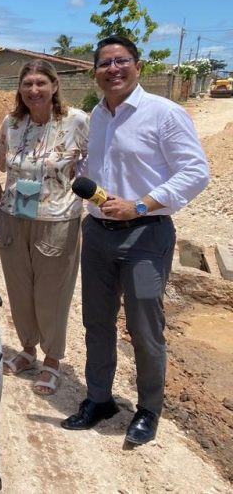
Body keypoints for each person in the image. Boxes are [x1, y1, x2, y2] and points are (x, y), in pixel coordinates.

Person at [61, 35, 209, 444]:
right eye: (104, 63)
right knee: (96, 322)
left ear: (138, 66)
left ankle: (148, 410)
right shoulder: (97, 116)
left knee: (145, 328)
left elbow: (196, 172)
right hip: (97, 236)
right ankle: (99, 398)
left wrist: (140, 205)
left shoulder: (165, 113)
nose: (113, 69)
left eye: (121, 61)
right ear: (95, 73)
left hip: (145, 236)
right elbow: (102, 167)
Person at [0, 59, 89, 396]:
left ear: (54, 85)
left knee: (52, 293)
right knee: (20, 289)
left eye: (40, 83)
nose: (34, 90)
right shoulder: (11, 122)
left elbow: (94, 163)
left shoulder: (76, 121)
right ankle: (28, 349)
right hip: (14, 214)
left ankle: (52, 359)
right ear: (19, 89)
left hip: (57, 218)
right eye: (27, 84)